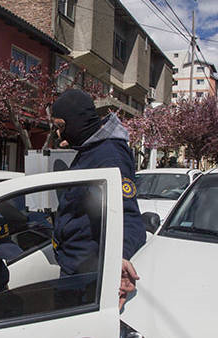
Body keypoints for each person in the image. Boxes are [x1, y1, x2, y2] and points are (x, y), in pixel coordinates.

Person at [50, 89, 146, 309]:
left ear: (77, 122)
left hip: (87, 279)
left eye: (61, 126)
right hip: (76, 270)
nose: (58, 134)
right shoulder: (91, 151)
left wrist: (120, 259)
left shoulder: (109, 156)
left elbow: (126, 215)